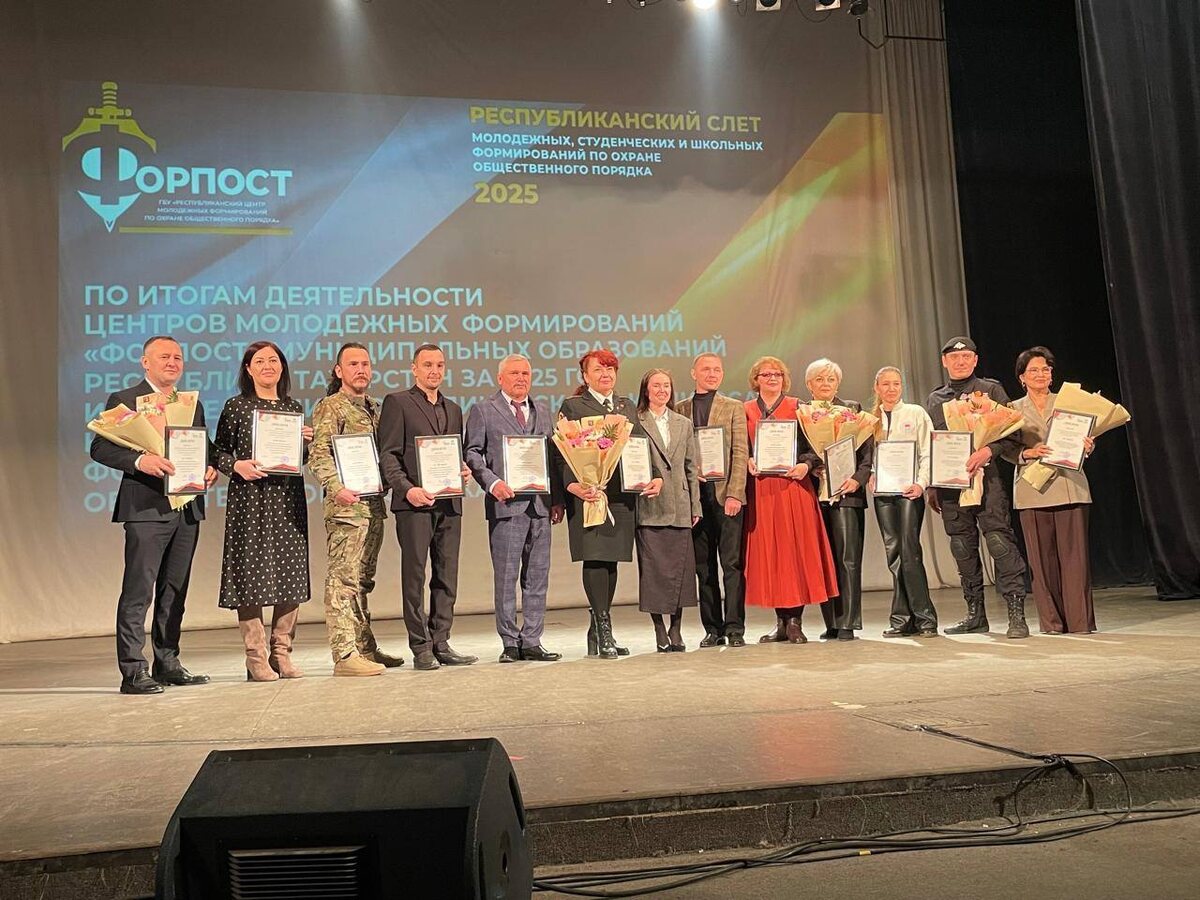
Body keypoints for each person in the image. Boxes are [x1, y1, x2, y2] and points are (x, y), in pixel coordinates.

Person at [89, 335, 215, 695]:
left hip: (187, 507)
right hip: (146, 507)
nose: (172, 363)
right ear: (146, 362)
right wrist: (140, 461)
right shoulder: (124, 400)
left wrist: (209, 467)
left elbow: (201, 447)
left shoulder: (191, 403)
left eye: (178, 357)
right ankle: (133, 670)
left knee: (175, 590)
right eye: (164, 357)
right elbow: (99, 447)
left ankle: (168, 662)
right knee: (139, 590)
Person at [214, 341, 313, 681]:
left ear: (282, 367)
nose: (267, 366)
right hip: (250, 499)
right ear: (248, 369)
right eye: (260, 361)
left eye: (273, 360)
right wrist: (236, 466)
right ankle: (255, 657)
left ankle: (281, 653)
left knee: (290, 574)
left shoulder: (292, 407)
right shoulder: (237, 406)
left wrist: (306, 443)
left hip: (287, 499)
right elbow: (218, 452)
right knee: (250, 575)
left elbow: (297, 460)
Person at [555, 349, 663, 659]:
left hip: (619, 496)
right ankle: (604, 629)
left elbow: (640, 446)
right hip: (589, 495)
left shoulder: (625, 406)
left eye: (610, 369)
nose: (606, 375)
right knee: (595, 558)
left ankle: (598, 631)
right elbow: (562, 451)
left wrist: (654, 476)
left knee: (611, 561)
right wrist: (573, 487)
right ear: (585, 376)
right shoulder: (573, 406)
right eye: (598, 370)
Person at [308, 342, 405, 677]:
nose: (360, 370)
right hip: (346, 509)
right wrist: (337, 488)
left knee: (363, 580)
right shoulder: (330, 407)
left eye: (365, 364)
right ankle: (345, 653)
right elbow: (318, 454)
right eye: (353, 364)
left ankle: (365, 647)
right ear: (339, 371)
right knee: (342, 579)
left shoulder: (376, 408)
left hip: (373, 506)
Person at [378, 343, 476, 671]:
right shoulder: (398, 403)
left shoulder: (454, 408)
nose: (434, 371)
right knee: (415, 575)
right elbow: (389, 455)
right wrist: (408, 490)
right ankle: (420, 646)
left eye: (440, 365)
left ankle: (441, 641)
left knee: (447, 574)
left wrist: (462, 471)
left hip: (449, 503)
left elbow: (451, 454)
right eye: (427, 365)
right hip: (414, 505)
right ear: (414, 368)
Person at [925, 336, 1029, 639]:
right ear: (944, 361)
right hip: (951, 484)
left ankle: (1016, 614)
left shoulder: (991, 389)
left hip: (989, 479)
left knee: (999, 541)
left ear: (975, 360)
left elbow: (1012, 433)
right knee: (961, 546)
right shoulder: (935, 399)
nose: (960, 361)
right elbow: (935, 444)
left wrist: (988, 451)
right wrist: (933, 485)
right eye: (954, 357)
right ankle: (975, 615)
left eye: (966, 356)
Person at [464, 354, 564, 663]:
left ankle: (532, 640)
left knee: (538, 577)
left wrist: (557, 499)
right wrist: (493, 483)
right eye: (514, 373)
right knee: (506, 578)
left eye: (525, 374)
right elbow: (473, 453)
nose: (521, 378)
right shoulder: (483, 410)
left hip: (540, 506)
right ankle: (509, 641)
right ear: (500, 378)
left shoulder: (543, 411)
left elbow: (554, 458)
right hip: (506, 506)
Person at [743, 356, 838, 643]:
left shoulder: (800, 407)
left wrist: (806, 465)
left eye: (778, 374)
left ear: (785, 379)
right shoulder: (745, 410)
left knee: (795, 554)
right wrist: (747, 460)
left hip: (794, 488)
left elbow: (815, 446)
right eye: (766, 374)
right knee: (772, 556)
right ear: (756, 380)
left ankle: (795, 620)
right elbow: (741, 447)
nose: (772, 378)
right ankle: (781, 623)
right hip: (762, 490)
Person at [1007, 346, 1097, 633]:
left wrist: (1088, 445)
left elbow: (1084, 435)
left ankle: (1080, 622)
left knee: (1075, 559)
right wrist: (1027, 453)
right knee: (1041, 562)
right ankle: (1052, 623)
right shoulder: (1011, 409)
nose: (1040, 374)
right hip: (1032, 488)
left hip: (1070, 484)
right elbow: (1004, 448)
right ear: (1022, 377)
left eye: (1045, 369)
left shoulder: (1068, 402)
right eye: (1033, 370)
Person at [677, 352, 749, 648]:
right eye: (706, 369)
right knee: (703, 568)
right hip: (695, 500)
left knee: (732, 565)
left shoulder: (733, 407)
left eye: (717, 369)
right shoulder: (679, 408)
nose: (712, 374)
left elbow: (740, 453)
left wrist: (735, 493)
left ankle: (735, 628)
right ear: (693, 373)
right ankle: (712, 628)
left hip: (725, 496)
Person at [805, 358, 873, 641]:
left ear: (838, 384)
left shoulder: (853, 410)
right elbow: (799, 451)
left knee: (848, 559)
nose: (825, 384)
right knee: (824, 560)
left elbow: (867, 454)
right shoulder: (803, 413)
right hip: (814, 495)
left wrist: (857, 479)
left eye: (830, 379)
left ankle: (848, 622)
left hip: (848, 494)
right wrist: (812, 465)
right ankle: (831, 621)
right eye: (819, 379)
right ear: (809, 385)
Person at [635, 369, 702, 652]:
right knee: (653, 573)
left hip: (680, 506)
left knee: (680, 572)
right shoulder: (635, 421)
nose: (662, 390)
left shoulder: (683, 423)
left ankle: (676, 628)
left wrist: (695, 505)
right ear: (646, 390)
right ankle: (659, 628)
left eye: (666, 385)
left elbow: (691, 467)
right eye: (656, 385)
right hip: (650, 506)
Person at [869, 366, 939, 637]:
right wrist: (871, 475)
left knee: (910, 550)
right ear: (877, 388)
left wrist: (921, 484)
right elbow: (868, 456)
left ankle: (925, 618)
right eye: (885, 384)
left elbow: (927, 451)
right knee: (894, 553)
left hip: (910, 491)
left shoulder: (915, 413)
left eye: (896, 384)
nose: (891, 389)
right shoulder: (870, 419)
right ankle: (901, 619)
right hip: (883, 494)